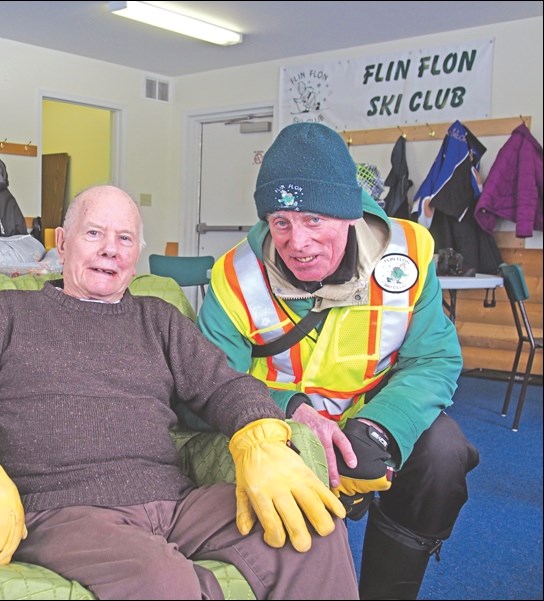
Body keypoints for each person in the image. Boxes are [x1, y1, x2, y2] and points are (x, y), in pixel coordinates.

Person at [0, 184, 359, 600]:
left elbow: (224, 385)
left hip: (175, 503)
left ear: (137, 252)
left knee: (315, 526)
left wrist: (260, 432)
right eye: (94, 234)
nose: (110, 251)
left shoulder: (158, 319)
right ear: (63, 242)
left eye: (125, 239)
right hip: (63, 510)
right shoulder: (7, 314)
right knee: (164, 580)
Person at [197, 123, 480, 600]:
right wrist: (290, 411)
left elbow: (433, 359)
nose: (297, 242)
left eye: (314, 220)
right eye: (280, 221)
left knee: (445, 455)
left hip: (372, 414)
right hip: (281, 423)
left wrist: (381, 427)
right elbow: (206, 383)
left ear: (350, 215)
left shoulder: (407, 255)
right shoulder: (233, 276)